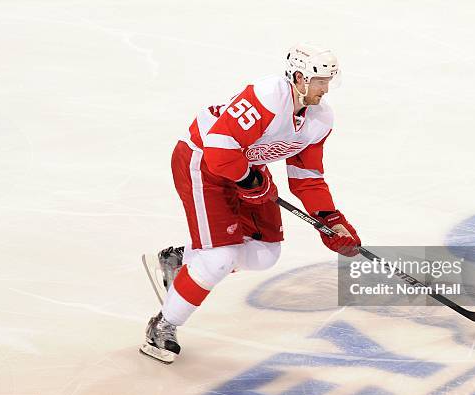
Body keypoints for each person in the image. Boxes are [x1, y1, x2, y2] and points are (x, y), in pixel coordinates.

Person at [140, 44, 362, 364]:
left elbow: (306, 178)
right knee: (219, 257)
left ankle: (180, 260)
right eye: (319, 81)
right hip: (203, 162)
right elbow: (218, 148)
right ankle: (163, 325)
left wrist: (331, 219)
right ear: (299, 78)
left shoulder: (319, 119)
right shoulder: (268, 95)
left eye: (329, 81)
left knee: (263, 254)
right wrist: (248, 181)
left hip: (245, 169)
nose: (325, 89)